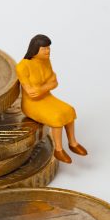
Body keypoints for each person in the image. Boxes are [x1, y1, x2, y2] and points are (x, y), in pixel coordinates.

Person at [16, 35, 88, 164]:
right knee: (57, 117)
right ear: (35, 49)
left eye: (48, 48)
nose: (48, 51)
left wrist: (42, 88)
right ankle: (58, 149)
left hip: (47, 97)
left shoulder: (46, 61)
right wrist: (46, 86)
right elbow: (32, 93)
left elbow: (55, 83)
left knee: (69, 110)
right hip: (31, 104)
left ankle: (73, 143)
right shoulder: (22, 66)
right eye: (44, 49)